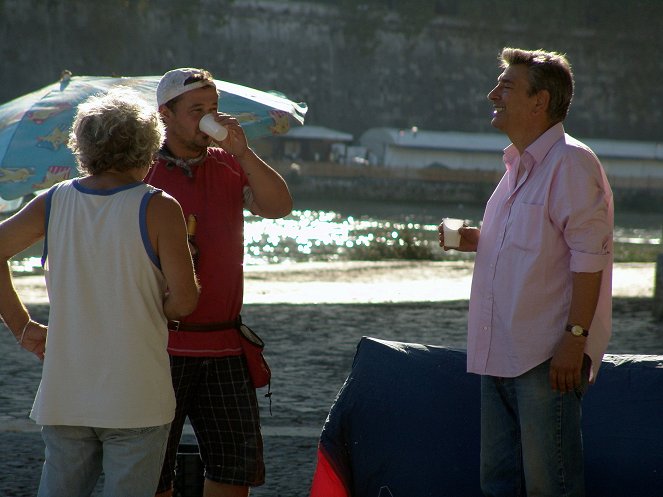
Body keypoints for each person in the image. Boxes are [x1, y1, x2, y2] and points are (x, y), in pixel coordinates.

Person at [0, 88, 200, 496]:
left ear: (84, 148)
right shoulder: (159, 207)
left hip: (66, 389)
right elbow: (185, 301)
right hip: (136, 390)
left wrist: (22, 326)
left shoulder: (54, 201)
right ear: (149, 149)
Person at [438, 48, 613, 496]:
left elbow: (589, 257)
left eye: (507, 86)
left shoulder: (570, 163)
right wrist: (478, 238)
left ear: (540, 102)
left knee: (548, 486)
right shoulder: (518, 167)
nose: (492, 93)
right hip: (500, 349)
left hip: (544, 357)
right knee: (499, 484)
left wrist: (575, 339)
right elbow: (542, 242)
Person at [147, 68, 293, 497]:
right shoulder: (142, 171)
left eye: (214, 109)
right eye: (197, 111)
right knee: (152, 470)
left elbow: (279, 206)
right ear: (166, 115)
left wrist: (244, 153)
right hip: (159, 345)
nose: (210, 118)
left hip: (225, 344)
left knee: (234, 470)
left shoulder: (230, 164)